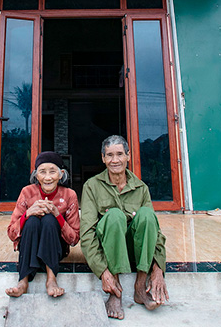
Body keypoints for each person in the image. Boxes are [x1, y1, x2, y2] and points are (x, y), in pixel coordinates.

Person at [80, 135, 168, 320]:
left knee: (146, 214)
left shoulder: (141, 188)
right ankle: (115, 292)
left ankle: (140, 287)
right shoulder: (92, 186)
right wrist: (103, 272)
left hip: (134, 251)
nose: (115, 160)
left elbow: (155, 231)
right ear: (103, 158)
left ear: (128, 156)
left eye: (119, 154)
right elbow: (87, 234)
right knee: (114, 216)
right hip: (109, 252)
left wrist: (158, 268)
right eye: (109, 155)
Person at [6, 151, 80, 298]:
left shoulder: (69, 195)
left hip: (56, 248)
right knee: (32, 221)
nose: (47, 177)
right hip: (30, 245)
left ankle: (51, 279)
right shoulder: (27, 192)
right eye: (42, 172)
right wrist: (27, 215)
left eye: (52, 172)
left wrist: (57, 215)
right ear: (36, 175)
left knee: (49, 220)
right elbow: (11, 233)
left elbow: (74, 239)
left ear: (61, 174)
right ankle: (23, 281)